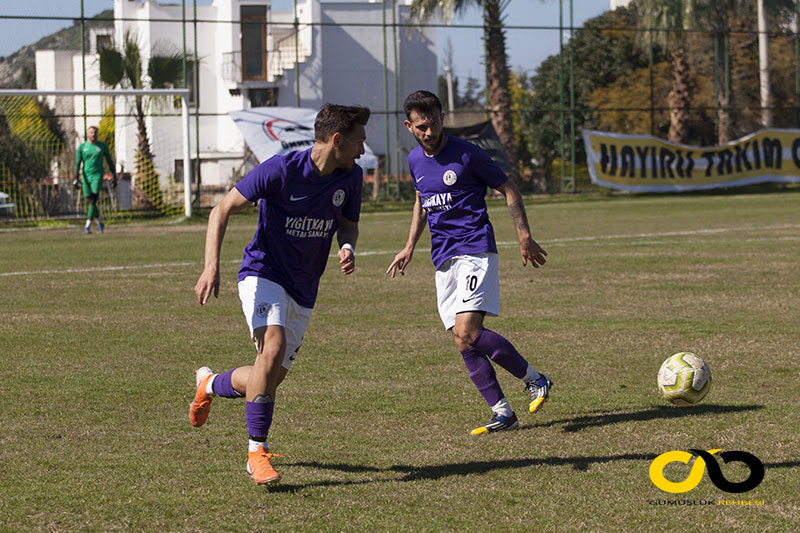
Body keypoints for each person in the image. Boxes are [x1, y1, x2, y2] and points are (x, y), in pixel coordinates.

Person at [191, 103, 370, 485]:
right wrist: (211, 266)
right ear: (336, 140)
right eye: (359, 141)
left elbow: (349, 226)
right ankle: (256, 452)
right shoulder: (280, 169)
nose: (363, 149)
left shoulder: (350, 178)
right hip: (263, 272)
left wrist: (348, 246)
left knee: (268, 377)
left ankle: (208, 384)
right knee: (271, 349)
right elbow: (220, 211)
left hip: (305, 288)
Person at [386, 90, 551, 435]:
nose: (428, 132)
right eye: (420, 127)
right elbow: (422, 201)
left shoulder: (468, 154)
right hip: (443, 258)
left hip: (475, 250)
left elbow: (509, 189)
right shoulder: (415, 160)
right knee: (462, 340)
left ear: (442, 118)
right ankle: (503, 412)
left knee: (469, 331)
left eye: (432, 124)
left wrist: (523, 236)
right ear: (409, 126)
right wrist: (408, 245)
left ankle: (536, 379)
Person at [73, 126, 116, 234]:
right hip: (85, 176)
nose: (93, 134)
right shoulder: (82, 147)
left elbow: (110, 161)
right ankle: (99, 223)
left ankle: (87, 225)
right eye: (91, 132)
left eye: (95, 132)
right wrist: (75, 178)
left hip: (97, 175)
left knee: (93, 199)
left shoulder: (102, 147)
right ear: (87, 134)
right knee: (90, 200)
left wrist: (114, 175)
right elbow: (77, 163)